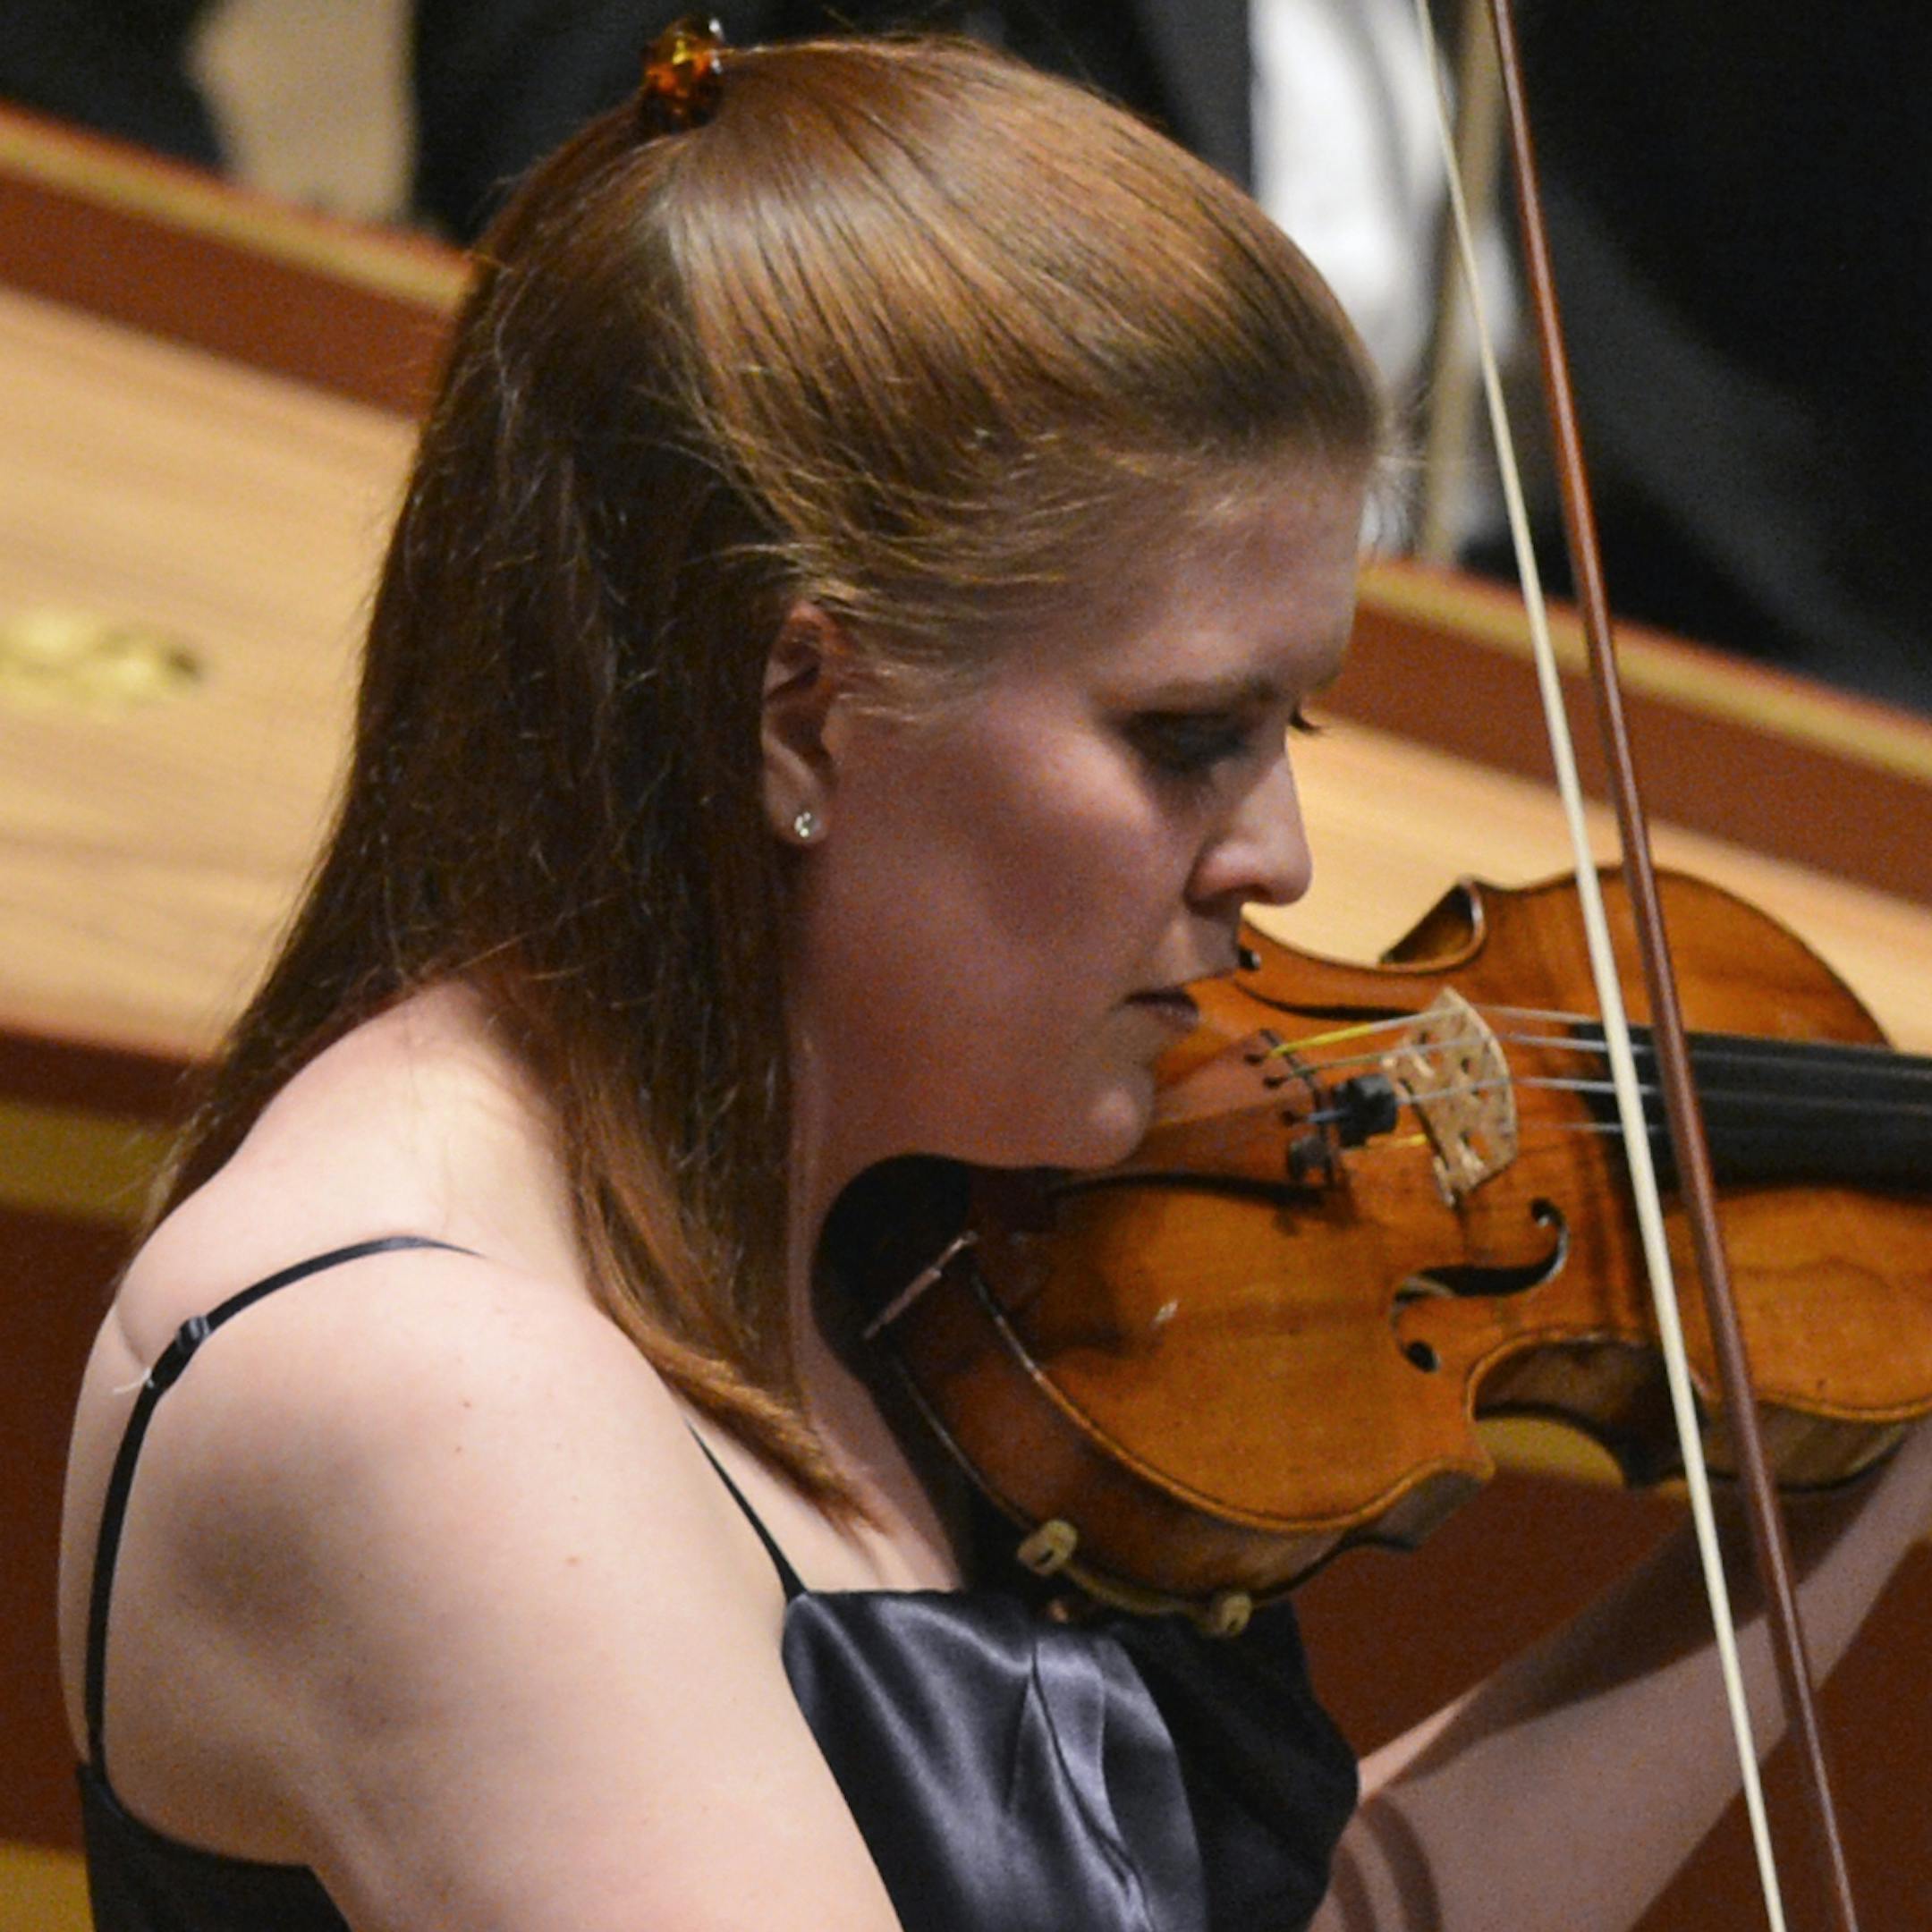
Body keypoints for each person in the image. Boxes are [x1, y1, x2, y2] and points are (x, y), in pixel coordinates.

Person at [55, 30, 1932, 1932]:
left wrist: (1859, 1505)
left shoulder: (905, 1230)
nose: (1277, 856)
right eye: (1190, 735)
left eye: (1294, 728)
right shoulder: (424, 1399)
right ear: (804, 707)